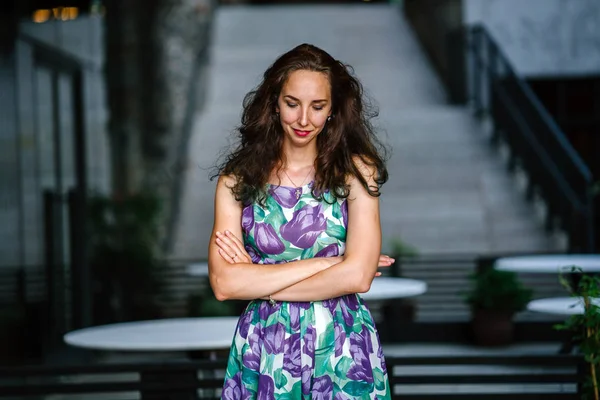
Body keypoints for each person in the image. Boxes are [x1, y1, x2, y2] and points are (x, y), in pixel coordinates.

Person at [208, 43, 393, 400]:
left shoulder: (358, 173)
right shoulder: (237, 181)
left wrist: (259, 283)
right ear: (274, 104)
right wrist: (332, 263)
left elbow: (358, 277)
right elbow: (224, 284)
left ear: (333, 111)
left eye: (318, 106)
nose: (304, 119)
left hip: (343, 347)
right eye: (292, 104)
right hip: (265, 349)